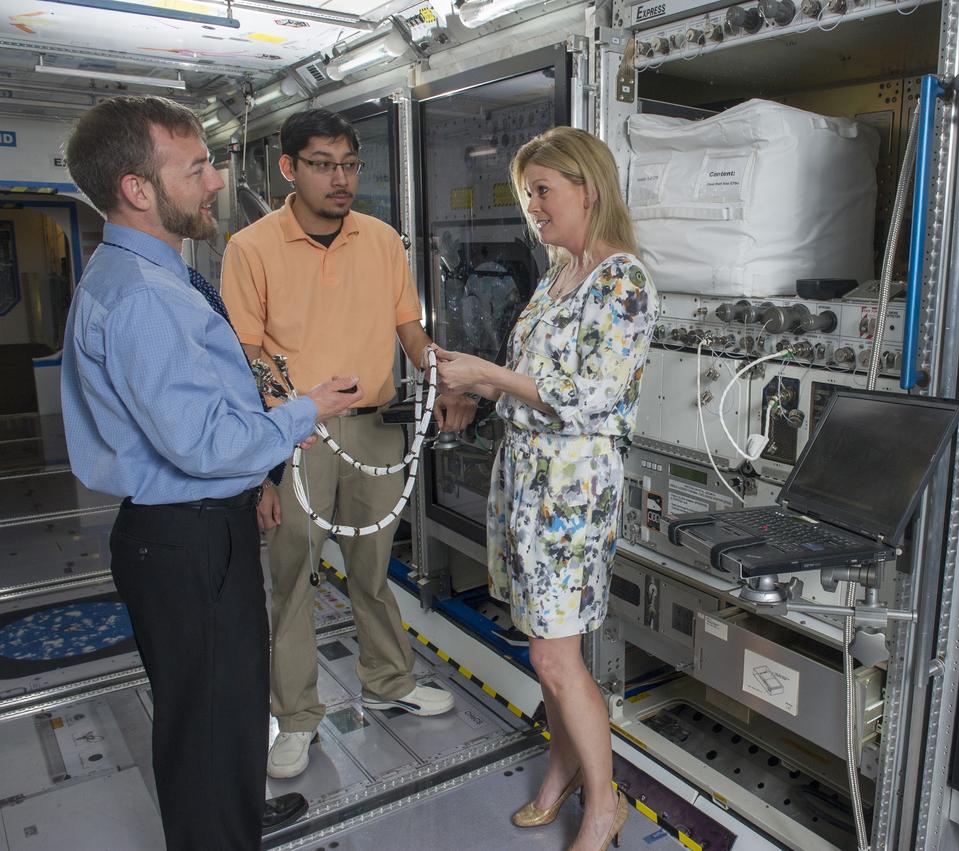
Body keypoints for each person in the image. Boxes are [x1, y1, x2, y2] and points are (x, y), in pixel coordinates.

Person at [60, 95, 364, 850]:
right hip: (185, 538)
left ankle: (231, 804)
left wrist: (252, 482)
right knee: (205, 713)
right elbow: (202, 442)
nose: (215, 180)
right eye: (196, 166)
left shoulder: (154, 275)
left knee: (223, 703)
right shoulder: (144, 300)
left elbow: (206, 414)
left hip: (199, 522)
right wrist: (308, 409)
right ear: (137, 188)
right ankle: (215, 832)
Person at [220, 109, 476, 780]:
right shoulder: (252, 248)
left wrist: (438, 374)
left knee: (373, 566)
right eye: (323, 165)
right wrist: (282, 421)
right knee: (294, 576)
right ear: (288, 168)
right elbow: (246, 350)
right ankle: (298, 715)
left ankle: (388, 680)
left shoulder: (383, 239)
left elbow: (407, 324)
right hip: (299, 432)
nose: (341, 179)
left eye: (350, 165)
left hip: (373, 424)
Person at [434, 126, 657, 851]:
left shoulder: (621, 279)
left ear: (588, 187)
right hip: (527, 480)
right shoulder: (556, 273)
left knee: (558, 656)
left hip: (570, 490)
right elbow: (531, 382)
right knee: (542, 649)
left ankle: (604, 801)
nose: (532, 206)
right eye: (526, 192)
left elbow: (591, 394)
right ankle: (563, 766)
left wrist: (489, 377)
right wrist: (478, 394)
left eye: (543, 190)